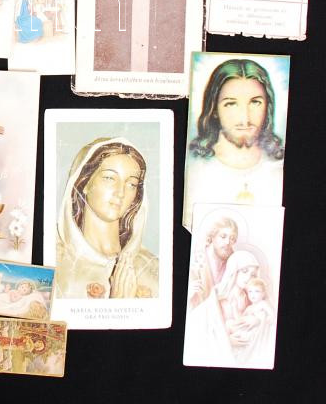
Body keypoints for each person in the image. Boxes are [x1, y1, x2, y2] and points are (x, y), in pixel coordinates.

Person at [183, 58, 285, 230]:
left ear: (268, 106)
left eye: (255, 102)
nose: (245, 118)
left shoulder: (280, 169)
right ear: (214, 109)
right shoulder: (192, 171)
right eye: (230, 104)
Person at [55, 137, 159, 299]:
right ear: (85, 183)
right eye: (109, 178)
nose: (120, 192)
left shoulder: (151, 268)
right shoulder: (56, 262)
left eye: (131, 184)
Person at [185, 249, 266, 367]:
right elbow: (197, 328)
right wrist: (227, 341)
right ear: (234, 271)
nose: (249, 277)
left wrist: (258, 321)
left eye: (253, 274)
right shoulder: (216, 299)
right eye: (244, 271)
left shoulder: (251, 299)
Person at [188, 216, 239, 308]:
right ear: (212, 236)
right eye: (223, 236)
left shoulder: (234, 261)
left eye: (232, 238)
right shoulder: (196, 259)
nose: (227, 242)